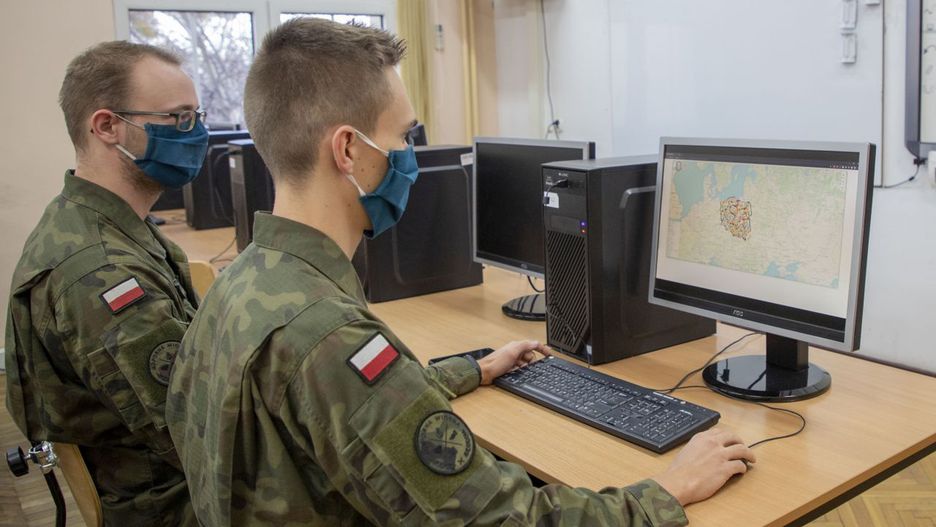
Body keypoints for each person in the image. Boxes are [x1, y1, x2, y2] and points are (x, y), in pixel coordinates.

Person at [166, 18, 755, 526]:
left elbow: (348, 405)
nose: (410, 155)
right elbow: (500, 518)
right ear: (348, 150)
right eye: (403, 135)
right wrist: (666, 491)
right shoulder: (328, 335)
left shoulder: (245, 282)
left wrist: (472, 369)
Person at [5, 41, 207, 525]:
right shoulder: (101, 273)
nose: (197, 133)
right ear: (107, 126)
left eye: (197, 116)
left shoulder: (98, 221)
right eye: (179, 118)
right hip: (174, 503)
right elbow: (202, 432)